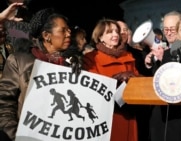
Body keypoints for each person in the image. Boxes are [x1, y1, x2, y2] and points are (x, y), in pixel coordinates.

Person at [0, 8, 75, 141]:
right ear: (47, 36)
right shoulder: (19, 61)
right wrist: (16, 136)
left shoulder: (75, 65)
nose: (69, 33)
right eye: (63, 30)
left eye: (69, 29)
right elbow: (5, 104)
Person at [83, 18, 139, 141]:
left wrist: (133, 77)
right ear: (100, 37)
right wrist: (115, 81)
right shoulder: (91, 58)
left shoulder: (128, 56)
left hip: (128, 113)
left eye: (116, 31)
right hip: (105, 116)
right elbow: (91, 88)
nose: (115, 35)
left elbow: (139, 81)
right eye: (109, 32)